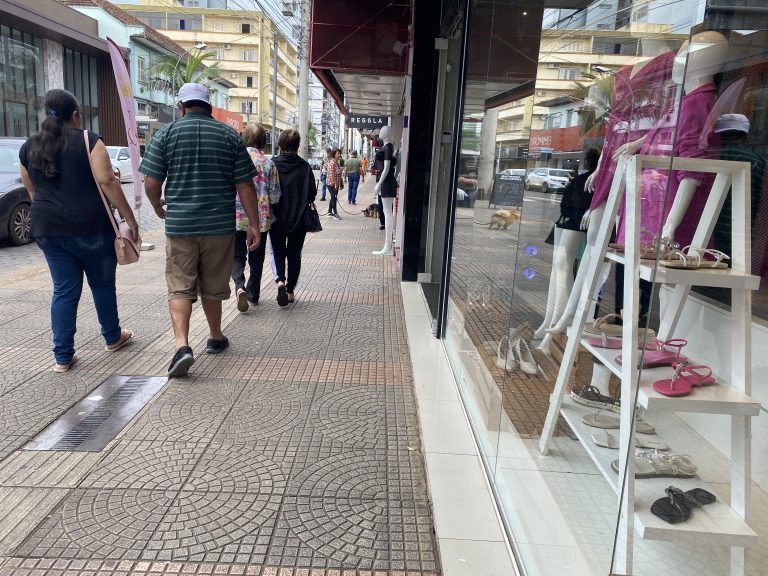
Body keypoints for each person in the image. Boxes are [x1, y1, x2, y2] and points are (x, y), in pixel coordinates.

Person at [141, 83, 261, 377]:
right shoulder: (229, 136)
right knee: (213, 284)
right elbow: (245, 185)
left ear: (181, 106)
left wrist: (157, 206)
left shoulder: (166, 134)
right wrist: (254, 225)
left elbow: (151, 182)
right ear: (209, 107)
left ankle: (182, 346)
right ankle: (216, 337)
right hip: (219, 226)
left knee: (180, 285)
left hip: (181, 225)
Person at [18, 88, 139, 373]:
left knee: (64, 290)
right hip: (92, 226)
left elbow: (32, 190)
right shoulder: (89, 140)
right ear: (75, 115)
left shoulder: (29, 146)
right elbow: (107, 181)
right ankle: (112, 337)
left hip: (48, 229)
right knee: (102, 284)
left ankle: (62, 357)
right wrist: (129, 218)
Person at [232, 123, 280, 313]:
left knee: (236, 254)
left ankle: (239, 286)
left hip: (236, 216)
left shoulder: (235, 158)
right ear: (262, 141)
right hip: (261, 218)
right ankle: (253, 294)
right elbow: (274, 196)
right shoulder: (269, 163)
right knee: (257, 258)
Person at [270, 129, 316, 306]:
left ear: (280, 144)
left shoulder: (273, 164)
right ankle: (289, 290)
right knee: (294, 254)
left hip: (276, 217)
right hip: (299, 218)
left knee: (278, 251)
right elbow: (311, 194)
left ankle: (280, 281)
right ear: (297, 145)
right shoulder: (304, 167)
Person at [326, 148, 343, 220]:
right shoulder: (332, 163)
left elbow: (338, 175)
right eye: (338, 153)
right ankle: (335, 213)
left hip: (336, 184)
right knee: (334, 197)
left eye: (339, 153)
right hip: (331, 184)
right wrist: (335, 185)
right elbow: (331, 175)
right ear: (334, 155)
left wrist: (341, 183)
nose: (339, 155)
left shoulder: (337, 163)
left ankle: (329, 212)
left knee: (333, 197)